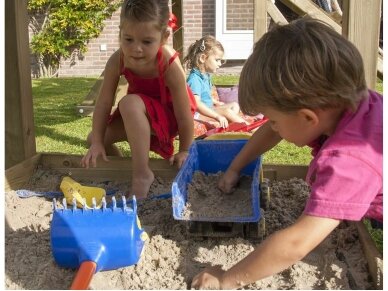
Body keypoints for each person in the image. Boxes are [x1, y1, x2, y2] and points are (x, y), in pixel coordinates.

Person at [191, 17, 382, 289]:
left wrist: (226, 279)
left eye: (273, 118)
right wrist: (235, 167)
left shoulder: (350, 160)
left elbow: (296, 243)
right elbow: (273, 131)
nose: (273, 126)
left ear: (307, 118)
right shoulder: (348, 106)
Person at [81, 0, 196, 199]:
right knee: (93, 138)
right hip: (136, 114)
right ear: (120, 34)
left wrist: (185, 149)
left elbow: (184, 115)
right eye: (128, 39)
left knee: (129, 102)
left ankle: (142, 173)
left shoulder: (170, 64)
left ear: (164, 38)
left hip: (168, 118)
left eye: (146, 42)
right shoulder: (117, 60)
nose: (136, 49)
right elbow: (104, 103)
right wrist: (98, 142)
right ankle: (123, 167)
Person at [184, 35, 247, 128]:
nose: (219, 64)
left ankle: (229, 123)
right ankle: (248, 126)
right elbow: (196, 103)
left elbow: (203, 95)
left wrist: (215, 102)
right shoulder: (195, 79)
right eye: (217, 60)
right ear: (203, 58)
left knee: (234, 105)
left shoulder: (205, 76)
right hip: (197, 115)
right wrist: (217, 115)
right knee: (226, 112)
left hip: (208, 110)